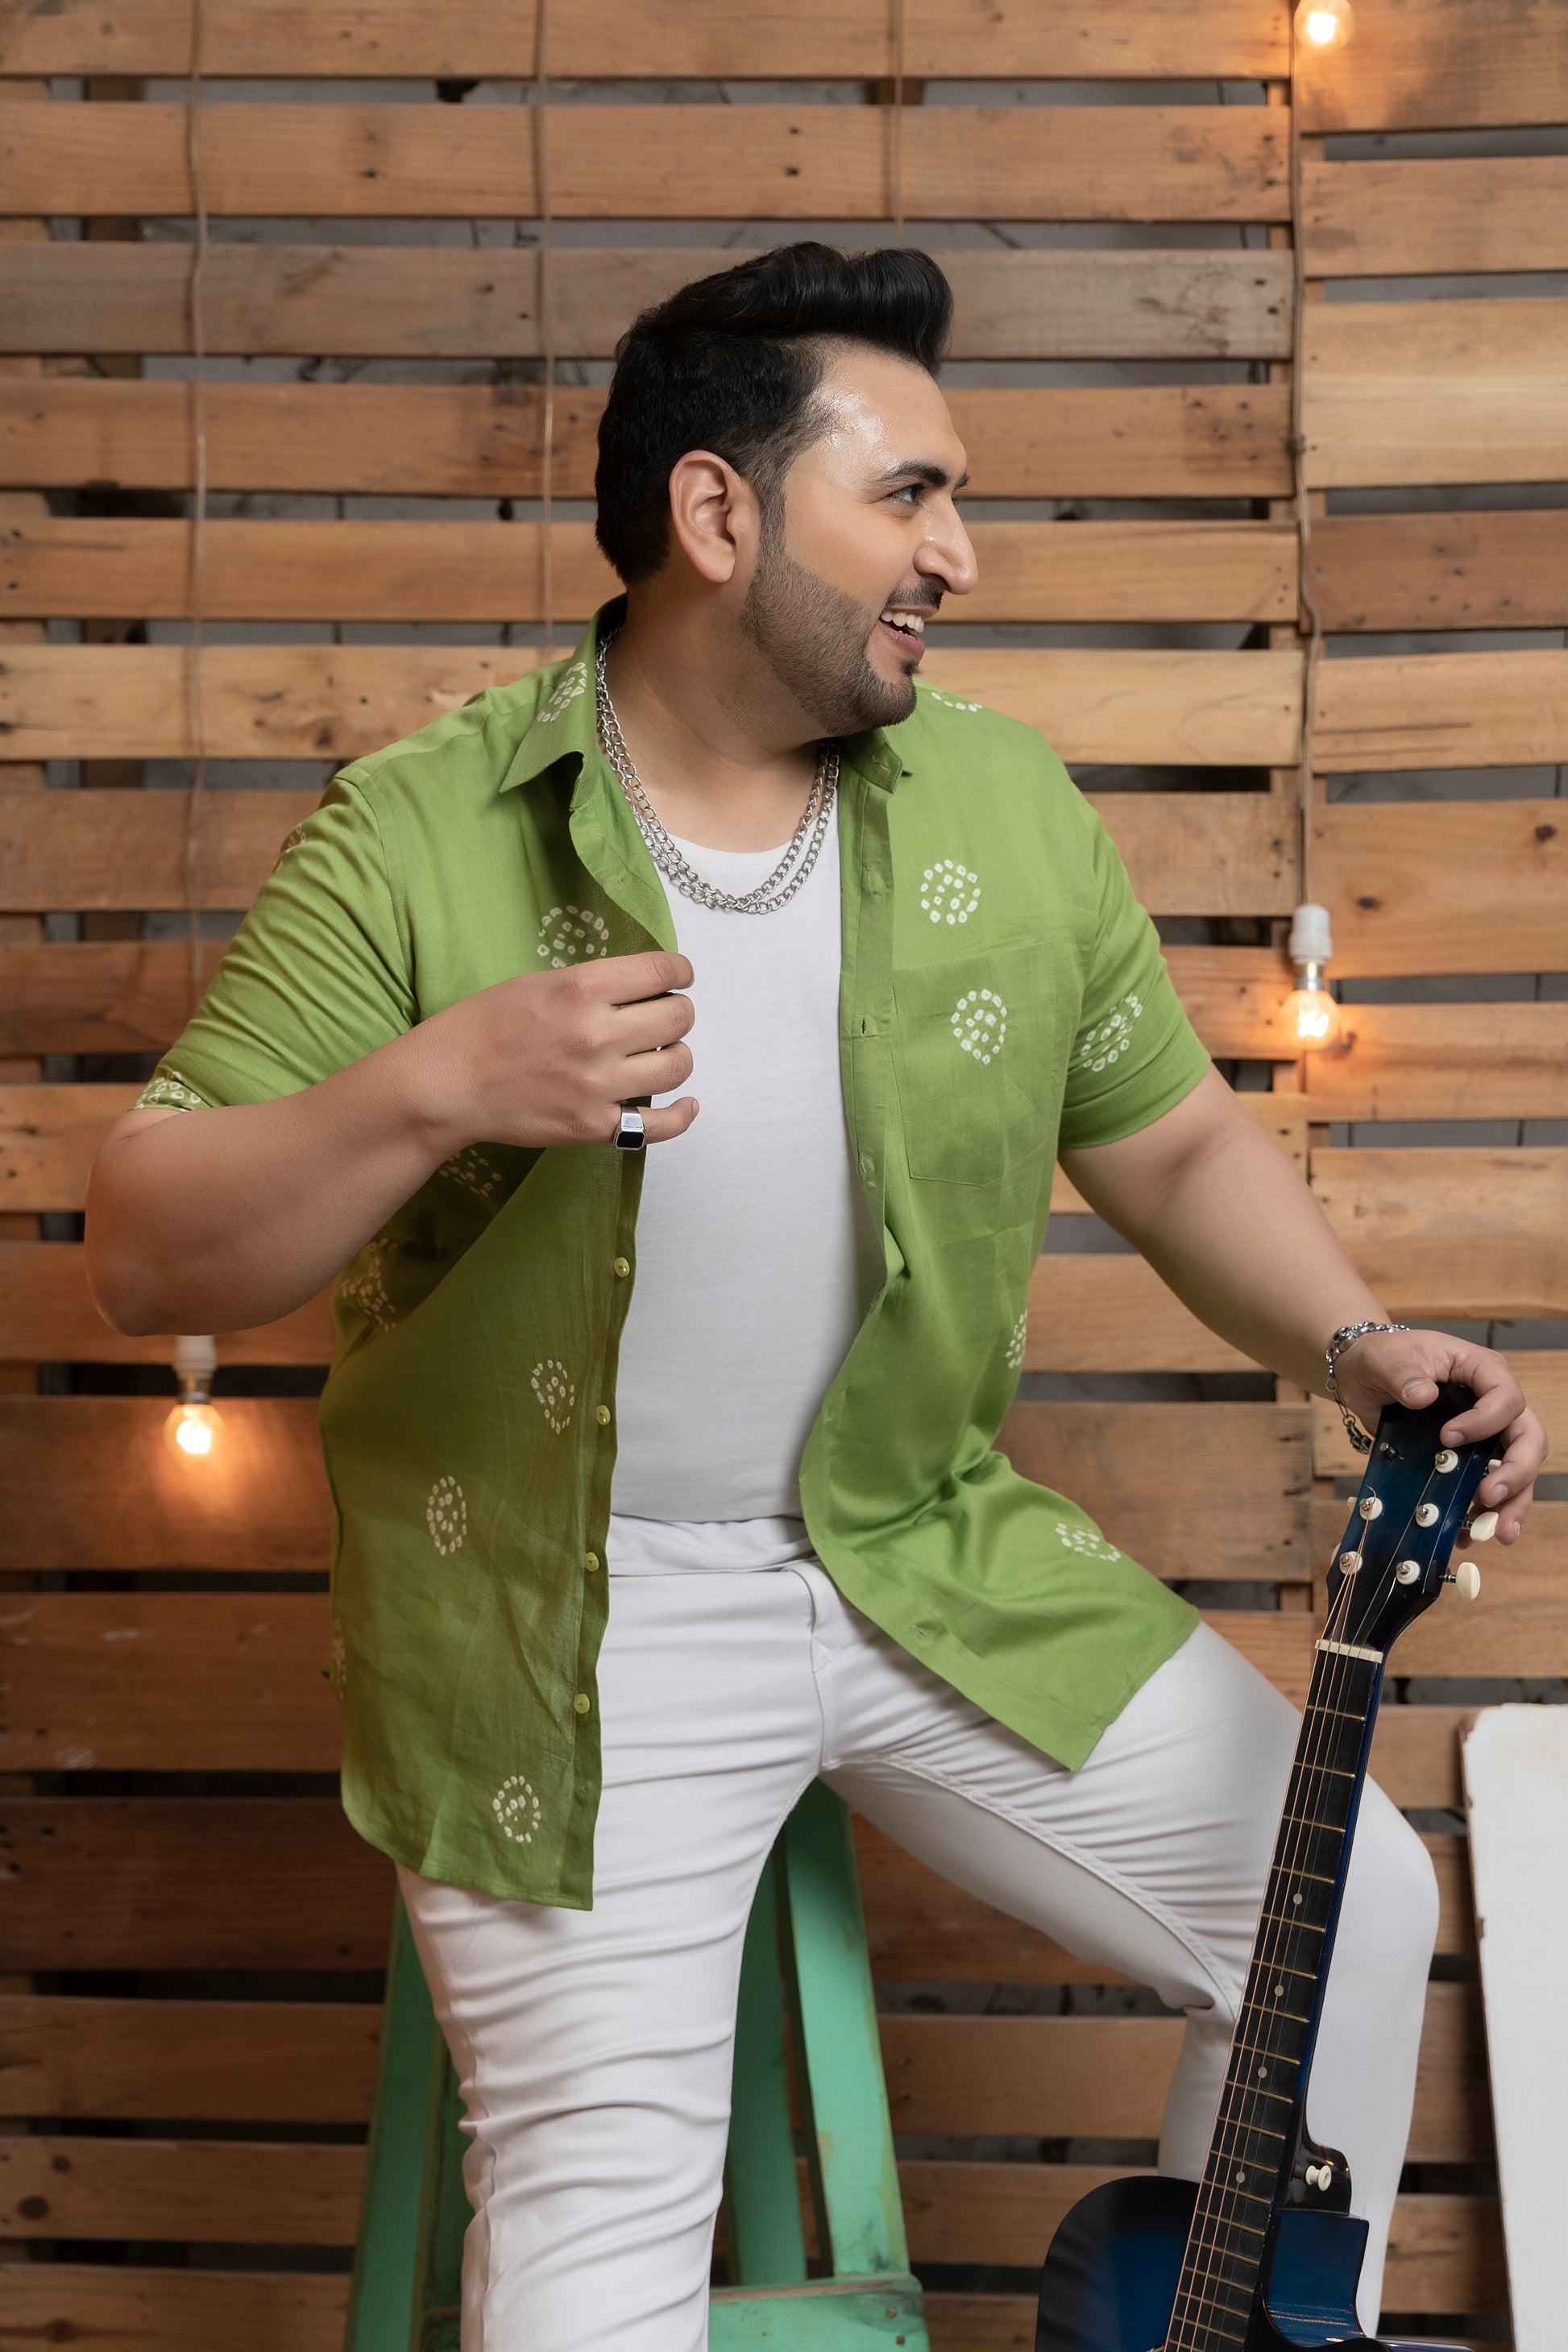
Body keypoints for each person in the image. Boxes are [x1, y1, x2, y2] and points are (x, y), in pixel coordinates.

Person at [85, 243, 1545, 2350]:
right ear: (719, 512)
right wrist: (433, 1088)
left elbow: (1167, 1142)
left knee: (1350, 1909)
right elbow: (144, 1243)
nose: (960, 554)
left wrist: (1347, 1339)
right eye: (909, 493)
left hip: (922, 1549)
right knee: (596, 2249)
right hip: (572, 1625)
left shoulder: (1001, 806)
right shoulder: (419, 834)